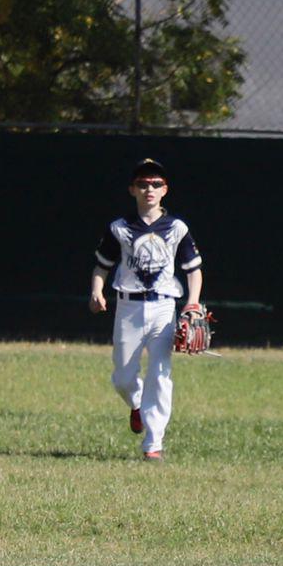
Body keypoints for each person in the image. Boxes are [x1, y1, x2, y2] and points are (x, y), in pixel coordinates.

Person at [88, 158, 203, 462]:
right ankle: (137, 404)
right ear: (132, 189)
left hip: (164, 306)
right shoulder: (120, 228)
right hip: (128, 306)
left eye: (155, 184)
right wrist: (97, 291)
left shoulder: (176, 227)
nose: (149, 188)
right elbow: (102, 265)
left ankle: (153, 442)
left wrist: (192, 303)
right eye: (142, 183)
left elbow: (193, 269)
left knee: (160, 373)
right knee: (123, 377)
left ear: (165, 190)